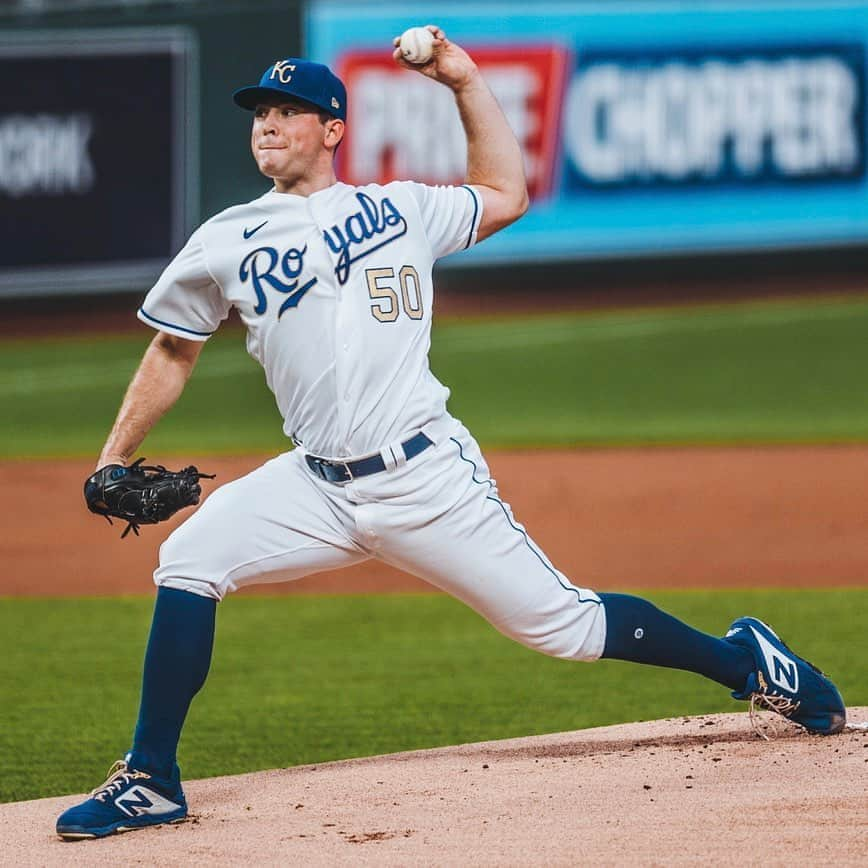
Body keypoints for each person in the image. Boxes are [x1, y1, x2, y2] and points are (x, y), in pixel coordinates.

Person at [56, 27, 846, 840]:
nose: (268, 124)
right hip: (314, 484)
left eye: (290, 111)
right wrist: (112, 457)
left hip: (425, 479)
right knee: (189, 558)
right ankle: (150, 779)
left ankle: (748, 662)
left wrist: (463, 81)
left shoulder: (399, 209)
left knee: (565, 627)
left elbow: (504, 193)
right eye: (261, 111)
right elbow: (172, 347)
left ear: (332, 131)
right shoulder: (224, 238)